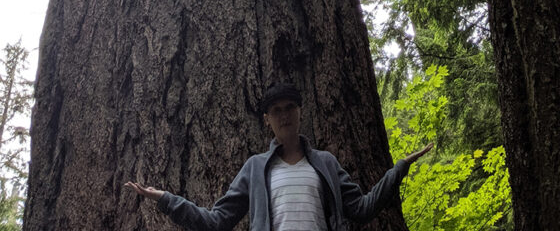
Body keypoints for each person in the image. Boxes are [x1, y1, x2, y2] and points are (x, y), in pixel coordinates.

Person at [125, 82, 432, 230]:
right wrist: (166, 199)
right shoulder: (255, 168)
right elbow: (217, 221)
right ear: (267, 120)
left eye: (290, 108)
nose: (284, 116)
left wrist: (400, 168)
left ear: (300, 113)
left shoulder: (325, 163)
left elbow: (361, 208)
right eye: (276, 111)